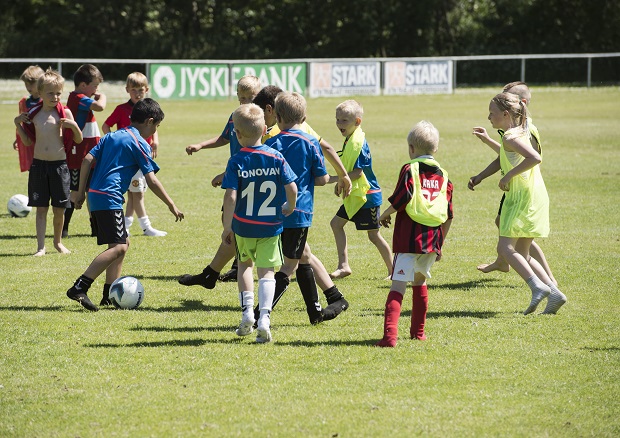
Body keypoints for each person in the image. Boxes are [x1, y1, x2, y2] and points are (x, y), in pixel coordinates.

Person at [66, 98, 184, 311]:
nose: (155, 131)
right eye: (156, 126)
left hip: (96, 194)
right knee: (119, 247)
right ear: (149, 121)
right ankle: (79, 286)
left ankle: (108, 294)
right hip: (109, 197)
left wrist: (82, 192)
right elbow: (152, 180)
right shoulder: (139, 143)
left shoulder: (112, 135)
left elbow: (86, 160)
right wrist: (171, 204)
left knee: (122, 243)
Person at [252, 85, 350, 321]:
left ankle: (301, 312)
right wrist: (334, 179)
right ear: (304, 118)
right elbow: (321, 177)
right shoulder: (309, 142)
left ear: (276, 116)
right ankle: (266, 313)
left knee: (297, 259)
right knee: (294, 261)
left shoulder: (271, 143)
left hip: (274, 211)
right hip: (299, 212)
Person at [471, 92, 566, 315]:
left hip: (521, 195)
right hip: (534, 194)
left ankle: (537, 287)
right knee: (522, 253)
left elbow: (535, 158)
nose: (488, 117)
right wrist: (484, 171)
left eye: (491, 113)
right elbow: (508, 155)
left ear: (505, 114)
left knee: (505, 248)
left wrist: (508, 176)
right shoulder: (522, 129)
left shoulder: (509, 136)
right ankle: (554, 294)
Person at [221, 103, 298, 343]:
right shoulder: (276, 156)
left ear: (237, 134)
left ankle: (247, 314)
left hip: (244, 226)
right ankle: (264, 317)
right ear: (265, 129)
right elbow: (292, 187)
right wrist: (290, 206)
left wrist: (227, 226)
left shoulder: (236, 160)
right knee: (267, 272)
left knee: (245, 266)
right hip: (271, 226)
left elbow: (230, 196)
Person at [376, 121, 453, 347]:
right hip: (432, 241)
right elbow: (448, 215)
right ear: (435, 150)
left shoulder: (410, 169)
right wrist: (441, 245)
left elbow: (402, 197)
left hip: (409, 240)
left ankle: (390, 337)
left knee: (398, 285)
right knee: (420, 284)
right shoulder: (444, 175)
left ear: (411, 149)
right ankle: (418, 333)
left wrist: (384, 214)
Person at [181, 75, 262, 285]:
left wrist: (224, 175)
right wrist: (201, 145)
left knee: (236, 220)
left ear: (258, 96)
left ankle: (230, 268)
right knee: (229, 218)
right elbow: (224, 138)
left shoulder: (257, 121)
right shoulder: (235, 116)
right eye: (241, 97)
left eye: (250, 98)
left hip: (245, 178)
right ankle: (236, 265)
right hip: (235, 175)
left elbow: (252, 157)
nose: (244, 102)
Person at [14, 68, 83, 256]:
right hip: (38, 166)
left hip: (59, 166)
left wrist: (74, 125)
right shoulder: (34, 114)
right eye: (50, 93)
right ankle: (40, 247)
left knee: (59, 209)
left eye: (58, 93)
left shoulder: (65, 113)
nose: (55, 97)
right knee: (41, 208)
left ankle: (58, 243)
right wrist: (18, 124)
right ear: (40, 93)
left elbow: (78, 139)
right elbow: (28, 141)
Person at [328, 100, 393, 279]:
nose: (339, 124)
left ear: (357, 122)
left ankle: (394, 270)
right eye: (337, 120)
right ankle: (343, 266)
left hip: (366, 196)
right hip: (356, 195)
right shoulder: (350, 139)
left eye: (344, 121)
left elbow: (357, 172)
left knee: (373, 235)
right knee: (336, 224)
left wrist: (337, 180)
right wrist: (341, 182)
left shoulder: (359, 144)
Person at [102, 72, 166, 237]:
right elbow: (106, 126)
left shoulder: (148, 108)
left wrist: (155, 142)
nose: (138, 93)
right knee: (137, 193)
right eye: (134, 89)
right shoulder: (122, 109)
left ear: (147, 89)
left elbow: (154, 127)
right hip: (131, 157)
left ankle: (126, 225)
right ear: (127, 90)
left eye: (141, 90)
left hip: (144, 155)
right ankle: (146, 227)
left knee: (135, 192)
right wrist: (113, 142)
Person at [63, 64, 107, 238]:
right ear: (83, 85)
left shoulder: (81, 96)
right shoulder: (77, 97)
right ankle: (64, 228)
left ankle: (95, 229)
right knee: (75, 192)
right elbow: (100, 107)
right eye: (95, 86)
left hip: (92, 154)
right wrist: (102, 96)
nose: (97, 90)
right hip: (77, 156)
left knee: (92, 191)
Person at [13, 65, 44, 172]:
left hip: (44, 141)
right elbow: (22, 124)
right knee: (33, 169)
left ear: (41, 82)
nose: (28, 87)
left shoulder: (47, 102)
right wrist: (18, 138)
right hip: (29, 142)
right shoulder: (24, 102)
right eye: (26, 83)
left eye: (31, 83)